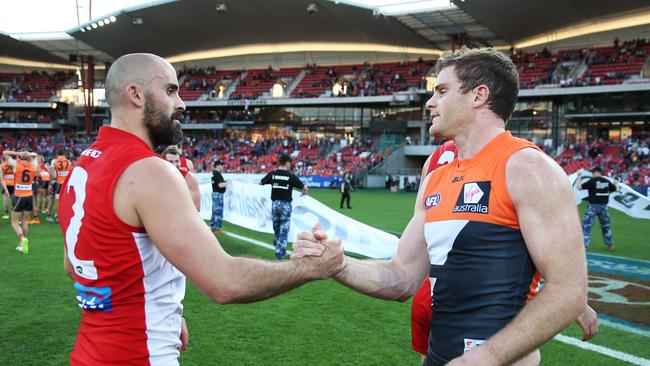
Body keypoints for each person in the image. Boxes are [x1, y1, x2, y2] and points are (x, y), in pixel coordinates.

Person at [294, 48, 589, 365]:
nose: (430, 103)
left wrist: (485, 357)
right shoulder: (435, 178)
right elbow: (402, 276)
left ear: (479, 96)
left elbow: (569, 290)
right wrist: (338, 265)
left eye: (442, 91)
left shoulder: (528, 168)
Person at [57, 53, 344, 366]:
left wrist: (164, 310)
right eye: (170, 91)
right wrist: (311, 267)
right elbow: (223, 281)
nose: (181, 103)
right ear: (135, 94)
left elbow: (77, 267)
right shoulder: (149, 171)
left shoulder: (81, 165)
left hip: (90, 352)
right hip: (140, 354)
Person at [410, 140, 598, 361]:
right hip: (473, 299)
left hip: (431, 289)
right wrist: (574, 301)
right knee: (522, 354)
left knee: (432, 356)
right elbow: (510, 245)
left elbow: (425, 231)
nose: (433, 104)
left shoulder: (433, 161)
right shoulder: (507, 157)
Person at [260, 153, 308, 260]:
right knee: (283, 231)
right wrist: (304, 193)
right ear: (287, 163)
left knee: (277, 228)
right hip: (286, 205)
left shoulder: (272, 174)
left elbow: (260, 183)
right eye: (290, 163)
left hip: (275, 205)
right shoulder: (290, 176)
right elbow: (304, 188)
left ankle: (278, 244)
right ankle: (279, 255)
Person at [3, 148, 38, 254]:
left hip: (19, 196)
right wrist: (28, 154)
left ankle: (22, 239)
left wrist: (18, 153)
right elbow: (35, 155)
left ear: (19, 156)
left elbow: (5, 152)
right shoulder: (33, 165)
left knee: (14, 222)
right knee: (24, 221)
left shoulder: (15, 164)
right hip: (29, 196)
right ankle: (21, 244)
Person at [578, 166, 619, 250]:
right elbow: (616, 189)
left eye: (593, 172)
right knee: (606, 226)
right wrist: (616, 182)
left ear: (596, 172)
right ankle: (610, 245)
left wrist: (579, 176)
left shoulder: (592, 181)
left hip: (593, 206)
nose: (592, 174)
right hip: (604, 207)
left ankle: (584, 245)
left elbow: (579, 187)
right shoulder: (606, 181)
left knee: (587, 226)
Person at [163, 145, 201, 211]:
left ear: (180, 161)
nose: (174, 165)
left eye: (177, 161)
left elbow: (197, 208)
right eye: (171, 162)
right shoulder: (158, 178)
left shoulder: (189, 179)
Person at [50, 149, 72, 222]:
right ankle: (66, 216)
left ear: (57, 154)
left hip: (59, 183)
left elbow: (53, 174)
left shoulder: (54, 161)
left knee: (58, 200)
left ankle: (58, 216)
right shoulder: (69, 162)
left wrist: (50, 183)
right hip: (67, 183)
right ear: (64, 154)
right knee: (66, 200)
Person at [211, 160, 229, 234]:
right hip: (218, 194)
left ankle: (213, 227)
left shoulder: (214, 173)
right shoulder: (217, 174)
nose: (223, 166)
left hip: (215, 193)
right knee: (218, 211)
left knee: (215, 211)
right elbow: (220, 185)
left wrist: (225, 181)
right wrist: (227, 183)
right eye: (221, 165)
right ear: (218, 165)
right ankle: (217, 228)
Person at [2, 154, 15, 219]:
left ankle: (6, 213)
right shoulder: (14, 164)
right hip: (13, 183)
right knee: (14, 199)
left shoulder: (2, 165)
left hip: (6, 183)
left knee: (5, 199)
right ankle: (14, 212)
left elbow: (2, 177)